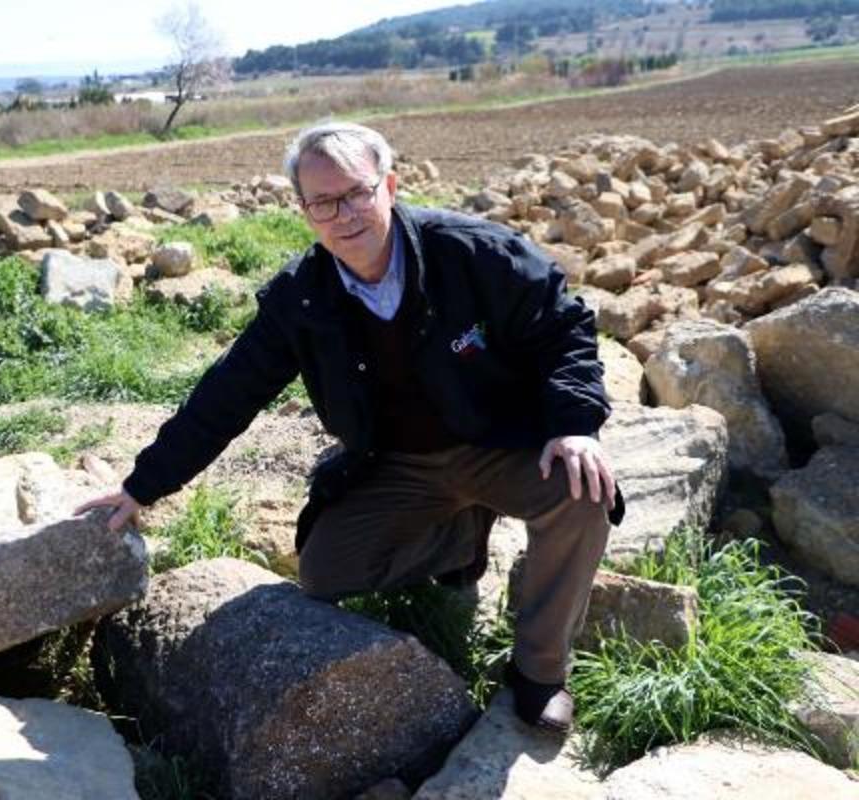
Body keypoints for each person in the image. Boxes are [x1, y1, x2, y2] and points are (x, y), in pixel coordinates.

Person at [77, 121, 623, 732]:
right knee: (325, 572)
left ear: (389, 185)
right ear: (305, 210)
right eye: (323, 202)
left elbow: (563, 325)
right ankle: (462, 540)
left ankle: (539, 673)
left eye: (358, 193)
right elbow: (229, 393)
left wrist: (574, 424)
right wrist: (144, 485)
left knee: (583, 490)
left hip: (499, 440)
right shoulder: (301, 297)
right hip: (398, 463)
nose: (345, 214)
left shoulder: (472, 252)